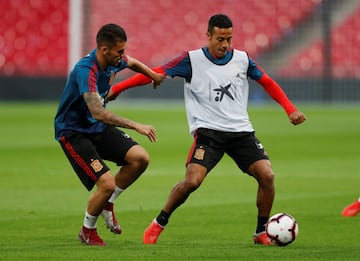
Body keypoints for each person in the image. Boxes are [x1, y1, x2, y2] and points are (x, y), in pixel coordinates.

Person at [108, 14, 306, 245]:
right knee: (192, 181)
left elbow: (267, 81)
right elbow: (156, 72)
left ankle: (261, 232)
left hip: (241, 132)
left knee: (267, 176)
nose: (225, 44)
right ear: (208, 36)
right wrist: (119, 87)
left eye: (229, 39)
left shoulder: (243, 59)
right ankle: (158, 223)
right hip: (208, 134)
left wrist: (289, 109)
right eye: (220, 39)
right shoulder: (191, 60)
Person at [54, 23, 165, 246]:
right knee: (106, 183)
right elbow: (97, 111)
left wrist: (152, 74)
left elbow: (131, 62)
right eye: (119, 51)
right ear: (105, 50)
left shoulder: (113, 61)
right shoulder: (86, 71)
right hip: (74, 132)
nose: (123, 56)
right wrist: (136, 125)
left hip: (96, 127)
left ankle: (108, 203)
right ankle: (87, 231)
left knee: (140, 159)